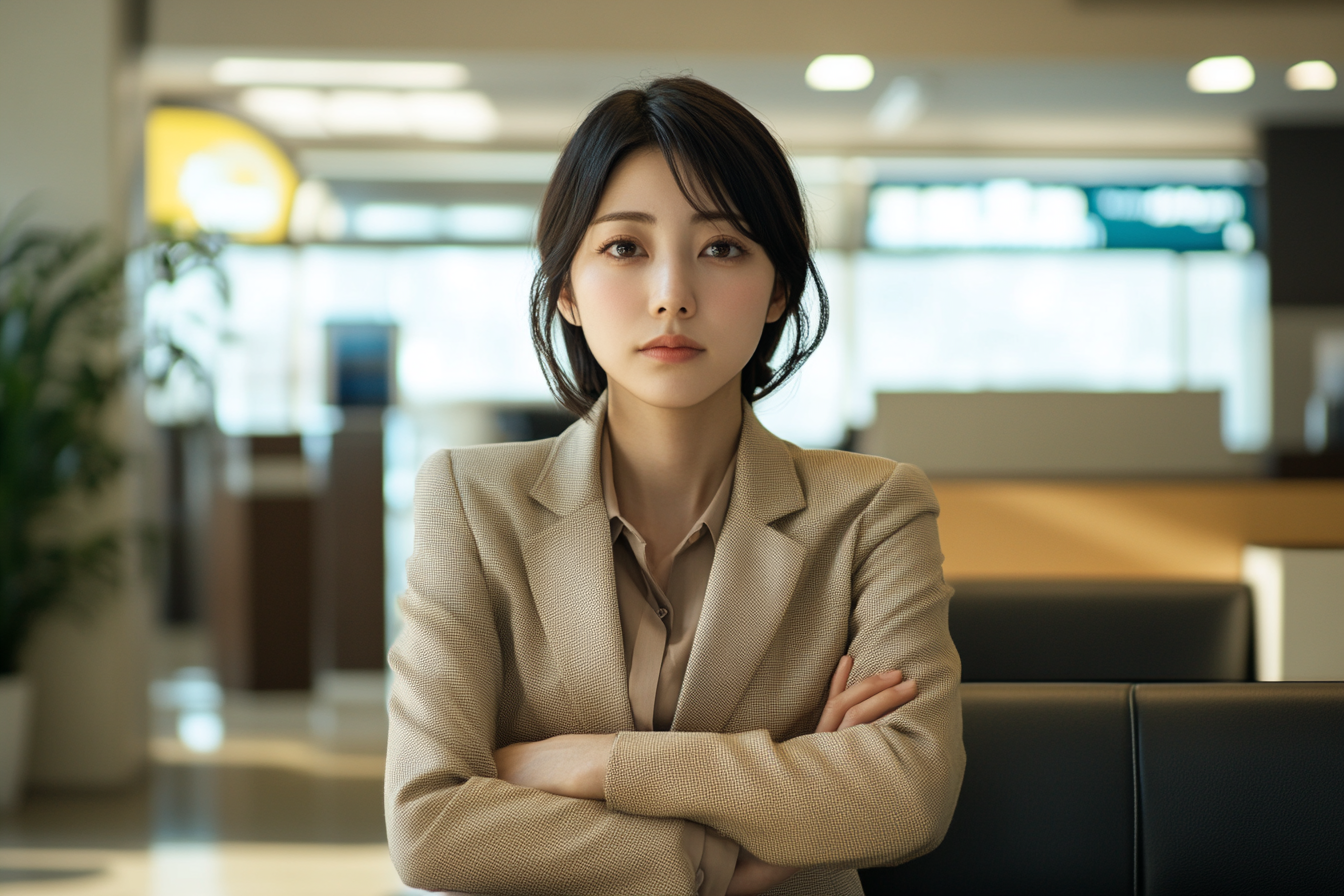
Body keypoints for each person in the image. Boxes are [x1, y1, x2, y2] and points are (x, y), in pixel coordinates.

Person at [384, 76, 964, 896]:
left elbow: (906, 795)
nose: (672, 296)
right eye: (625, 248)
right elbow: (429, 827)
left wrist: (593, 762)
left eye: (722, 248)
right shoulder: (471, 502)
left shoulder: (872, 510)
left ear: (779, 291)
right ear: (567, 291)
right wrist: (736, 853)